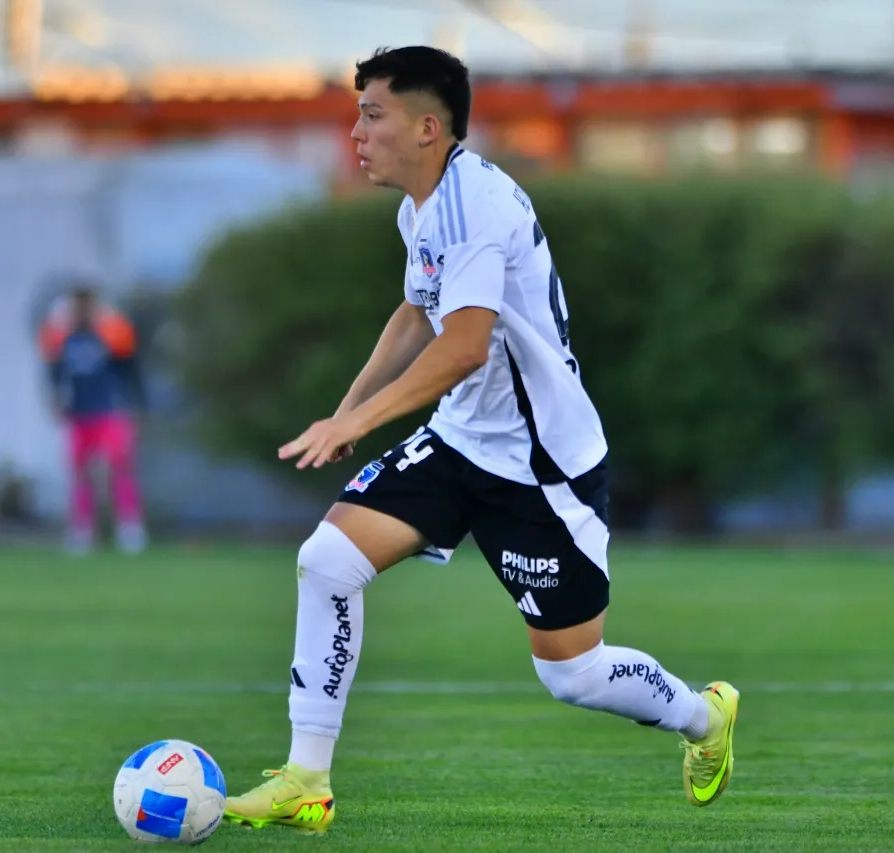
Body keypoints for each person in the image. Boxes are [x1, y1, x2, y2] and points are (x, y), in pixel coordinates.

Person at [222, 46, 739, 834]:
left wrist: (358, 423)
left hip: (541, 468)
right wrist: (346, 408)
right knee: (326, 561)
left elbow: (463, 346)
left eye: (372, 115)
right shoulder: (424, 206)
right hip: (461, 439)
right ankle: (306, 779)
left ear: (427, 128)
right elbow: (415, 312)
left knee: (572, 672)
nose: (356, 133)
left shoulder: (472, 208)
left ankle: (705, 715)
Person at [40, 285, 147, 555]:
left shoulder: (112, 334)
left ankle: (130, 527)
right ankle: (82, 529)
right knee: (80, 473)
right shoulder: (63, 338)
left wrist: (136, 404)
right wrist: (55, 398)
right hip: (79, 413)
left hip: (110, 410)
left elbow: (130, 370)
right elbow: (54, 372)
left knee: (120, 467)